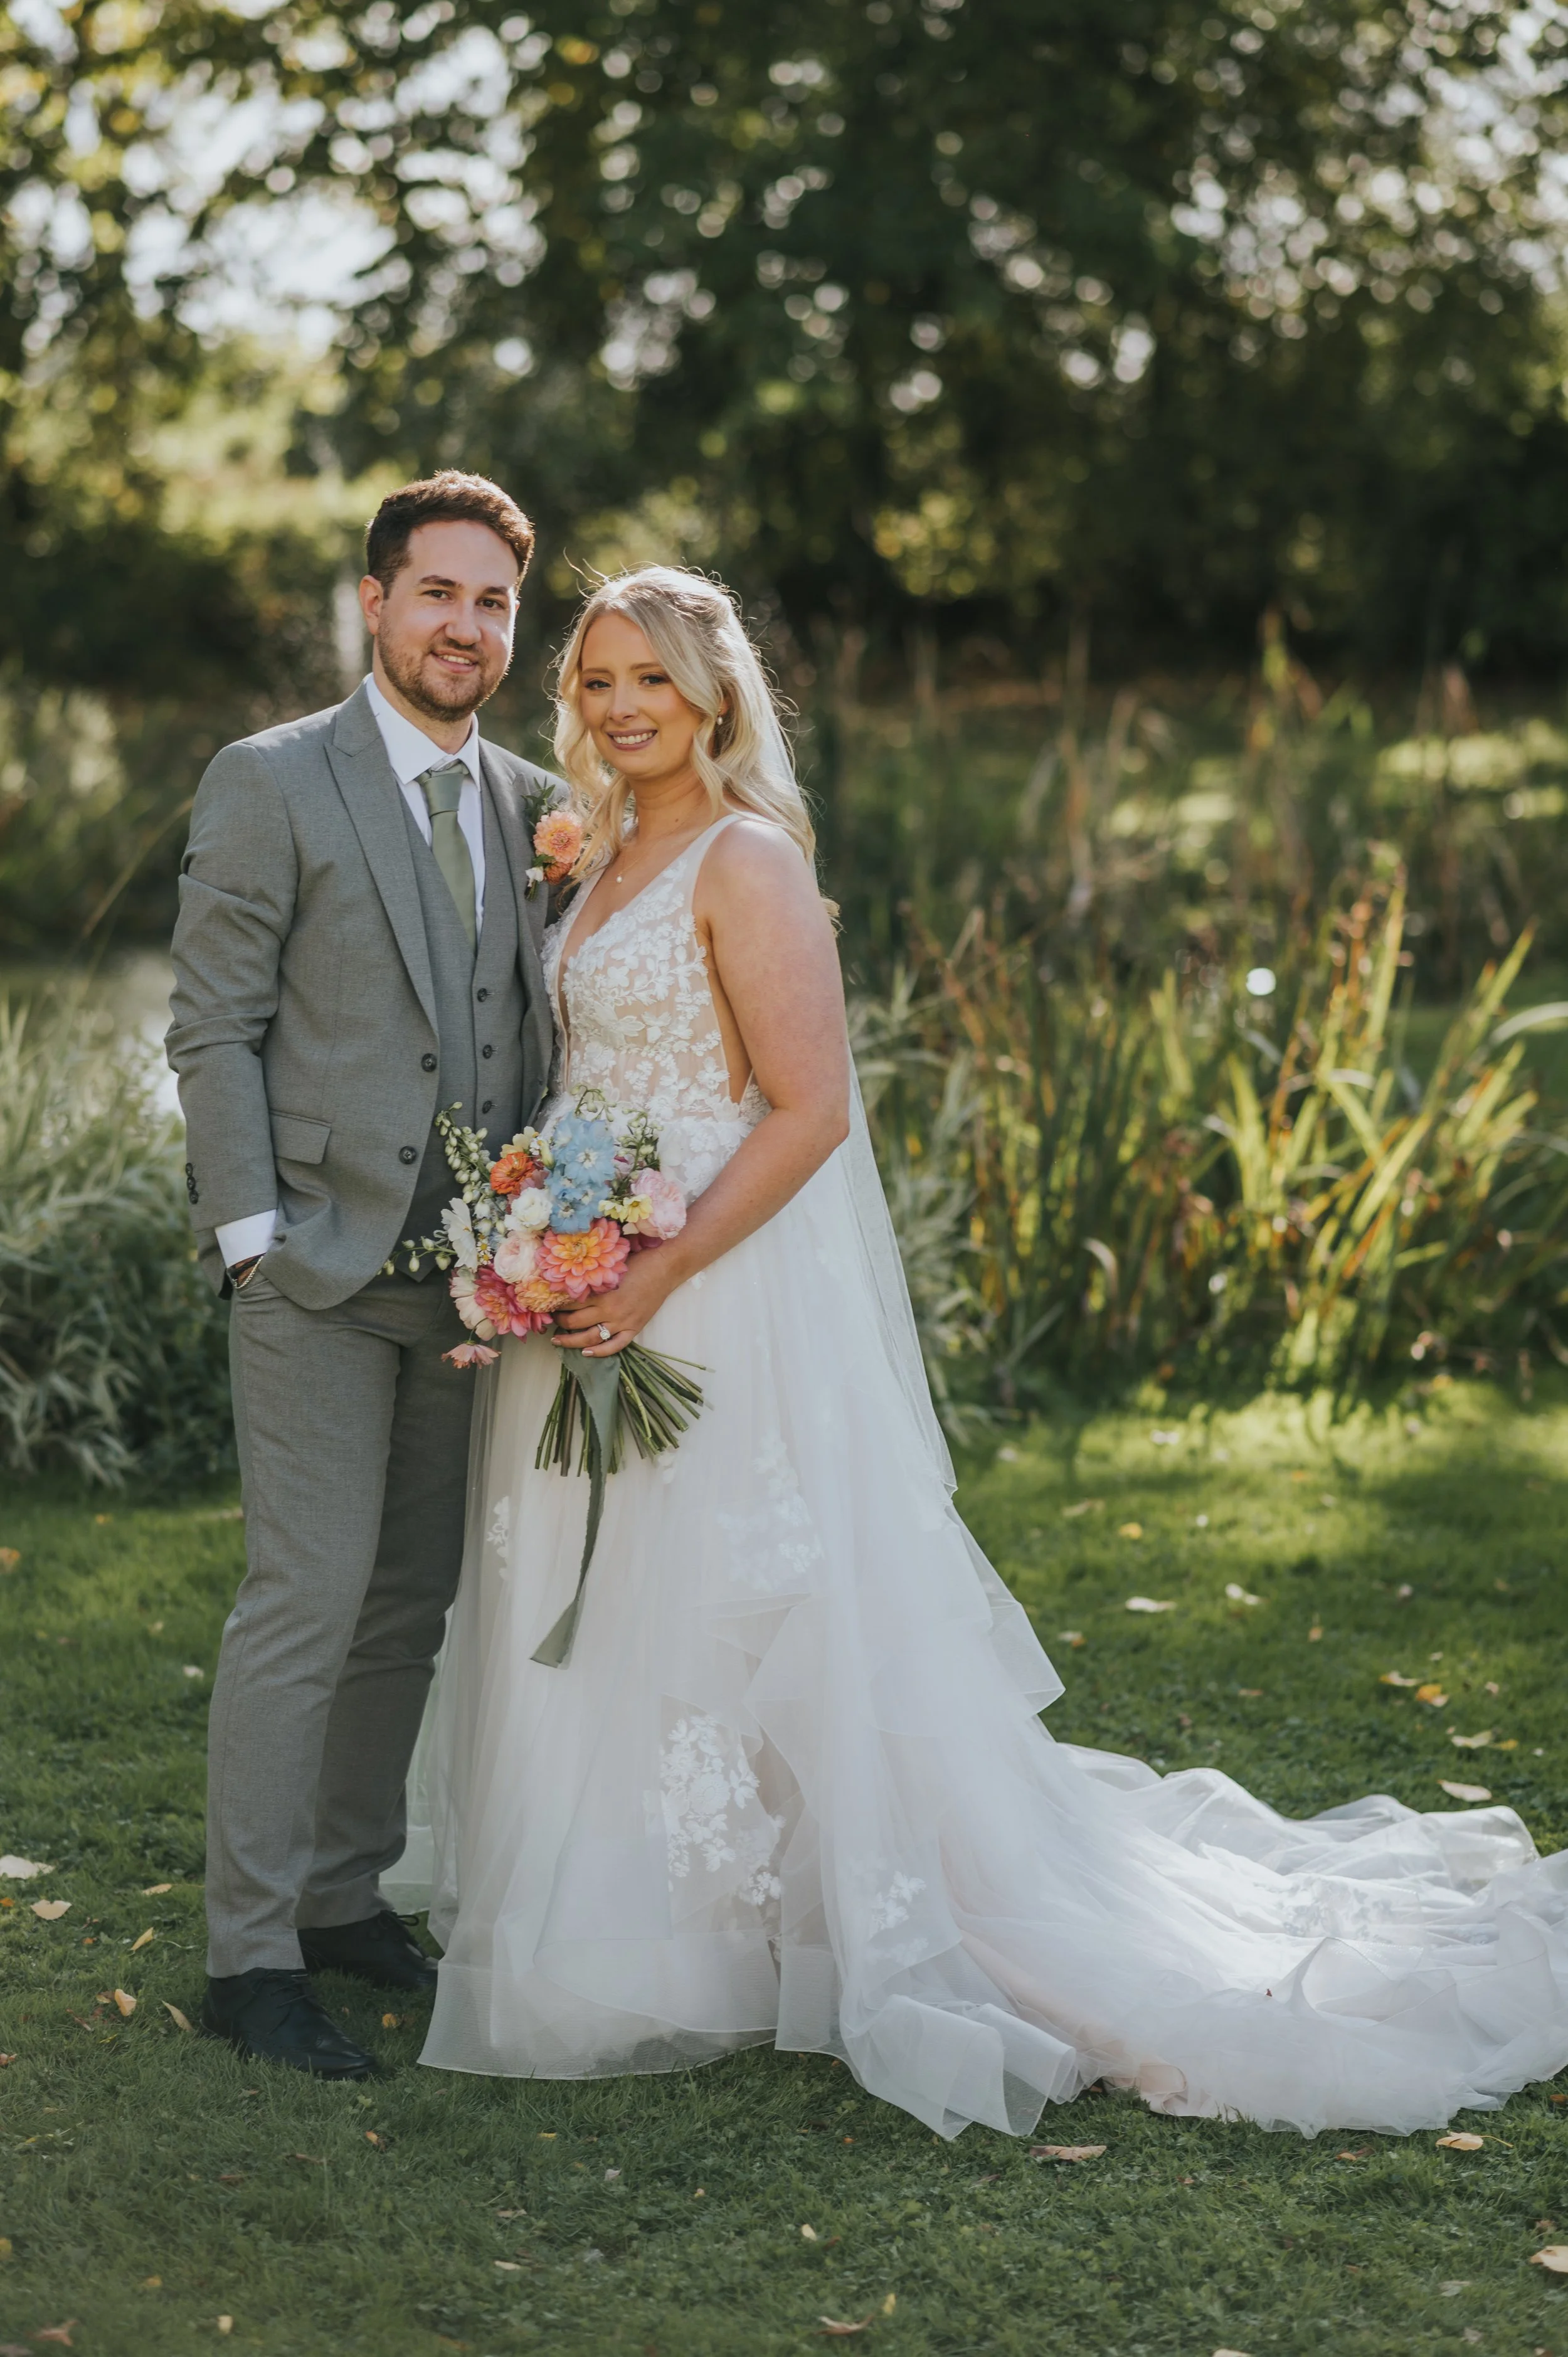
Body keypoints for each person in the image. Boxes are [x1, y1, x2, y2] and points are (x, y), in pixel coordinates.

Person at [411, 563, 1568, 2140]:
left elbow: (810, 1108)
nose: (618, 710)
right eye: (598, 681)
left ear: (715, 698)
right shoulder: (603, 854)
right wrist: (548, 1238)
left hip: (709, 1274)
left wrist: (659, 1260)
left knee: (747, 1597)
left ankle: (821, 1915)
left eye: (651, 686)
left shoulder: (743, 860)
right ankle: (665, 1921)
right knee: (615, 1600)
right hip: (597, 1268)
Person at [166, 470, 563, 2079]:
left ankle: (339, 1898)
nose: (464, 626)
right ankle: (249, 1954)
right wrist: (251, 1237)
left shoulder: (538, 801)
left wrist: (538, 1249)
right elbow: (213, 1022)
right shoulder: (270, 780)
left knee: (410, 1602)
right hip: (315, 1270)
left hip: (471, 1294)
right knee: (304, 1599)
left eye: (492, 603)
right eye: (438, 594)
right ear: (376, 604)